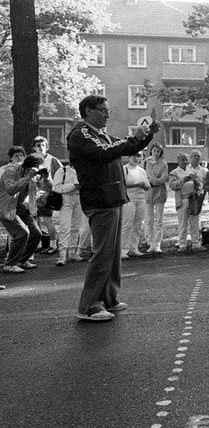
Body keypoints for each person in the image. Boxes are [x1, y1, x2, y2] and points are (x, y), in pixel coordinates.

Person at [68, 94, 156, 321]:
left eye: (108, 110)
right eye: (102, 110)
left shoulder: (101, 134)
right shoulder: (82, 134)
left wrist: (146, 135)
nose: (107, 114)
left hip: (113, 196)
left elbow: (122, 146)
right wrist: (134, 138)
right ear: (87, 111)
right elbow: (106, 152)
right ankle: (89, 305)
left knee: (113, 253)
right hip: (100, 198)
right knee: (103, 253)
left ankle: (109, 297)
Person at [0, 148, 43, 273]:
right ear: (28, 168)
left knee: (36, 233)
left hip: (20, 207)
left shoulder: (31, 174)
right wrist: (28, 177)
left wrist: (42, 180)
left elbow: (40, 191)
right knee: (22, 233)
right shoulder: (10, 171)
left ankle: (21, 260)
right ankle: (9, 264)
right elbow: (11, 190)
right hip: (5, 207)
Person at [52, 159, 90, 265]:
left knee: (75, 227)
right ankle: (62, 255)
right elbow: (56, 188)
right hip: (65, 200)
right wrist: (73, 186)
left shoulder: (83, 170)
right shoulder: (62, 170)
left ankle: (72, 252)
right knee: (65, 228)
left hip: (78, 199)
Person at [168, 152, 204, 253]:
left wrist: (196, 182)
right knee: (182, 223)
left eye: (186, 159)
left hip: (193, 199)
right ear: (178, 161)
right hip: (182, 199)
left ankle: (195, 243)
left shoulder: (192, 171)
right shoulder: (174, 172)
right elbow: (173, 185)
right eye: (182, 160)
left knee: (195, 222)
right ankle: (182, 244)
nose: (184, 162)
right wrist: (183, 180)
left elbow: (200, 186)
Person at [32, 136, 62, 255]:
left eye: (43, 145)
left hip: (46, 195)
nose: (40, 148)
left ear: (47, 147)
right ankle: (38, 244)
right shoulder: (32, 160)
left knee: (47, 219)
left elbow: (61, 173)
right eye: (38, 145)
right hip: (33, 194)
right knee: (35, 219)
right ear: (34, 147)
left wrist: (54, 187)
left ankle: (53, 244)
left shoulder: (52, 160)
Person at [120, 152, 150, 259]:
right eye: (134, 156)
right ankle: (123, 249)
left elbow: (147, 185)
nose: (136, 158)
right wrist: (137, 184)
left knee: (138, 224)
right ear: (129, 156)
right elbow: (123, 184)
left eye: (139, 156)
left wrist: (145, 185)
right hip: (129, 198)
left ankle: (134, 247)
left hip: (141, 198)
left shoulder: (142, 171)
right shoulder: (124, 169)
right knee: (127, 223)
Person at [143, 143, 168, 254]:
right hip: (148, 194)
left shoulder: (163, 163)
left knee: (159, 220)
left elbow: (164, 178)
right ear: (151, 151)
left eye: (158, 151)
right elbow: (143, 175)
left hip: (159, 193)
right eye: (154, 151)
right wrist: (149, 181)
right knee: (149, 219)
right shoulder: (146, 162)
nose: (156, 153)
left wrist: (153, 181)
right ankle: (149, 241)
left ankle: (157, 243)